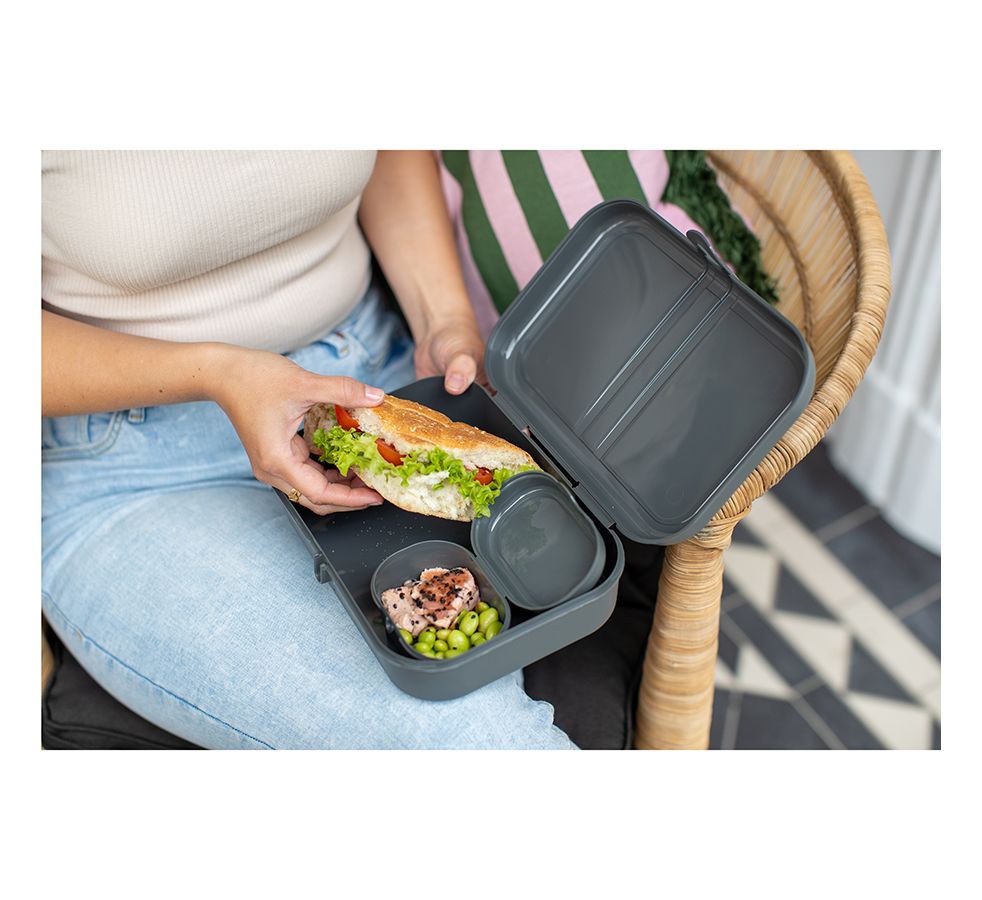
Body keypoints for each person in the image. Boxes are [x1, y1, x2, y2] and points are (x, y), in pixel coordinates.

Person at [41, 150, 574, 749]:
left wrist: (442, 318)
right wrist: (220, 372)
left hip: (370, 385)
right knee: (470, 736)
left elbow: (390, 154)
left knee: (461, 662)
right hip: (142, 466)